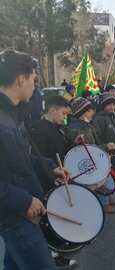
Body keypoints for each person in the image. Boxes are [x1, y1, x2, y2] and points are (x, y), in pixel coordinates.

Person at [0, 49, 70, 269]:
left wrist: (51, 167)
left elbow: (21, 158)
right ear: (21, 79)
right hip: (15, 217)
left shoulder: (14, 115)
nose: (35, 86)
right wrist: (24, 200)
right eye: (33, 80)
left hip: (23, 215)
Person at [30, 95, 81, 269]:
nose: (65, 118)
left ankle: (56, 255)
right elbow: (38, 162)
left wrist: (73, 142)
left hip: (56, 178)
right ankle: (54, 256)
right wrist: (54, 179)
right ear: (52, 110)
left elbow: (60, 148)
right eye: (64, 113)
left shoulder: (55, 127)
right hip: (48, 184)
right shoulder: (40, 131)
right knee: (50, 223)